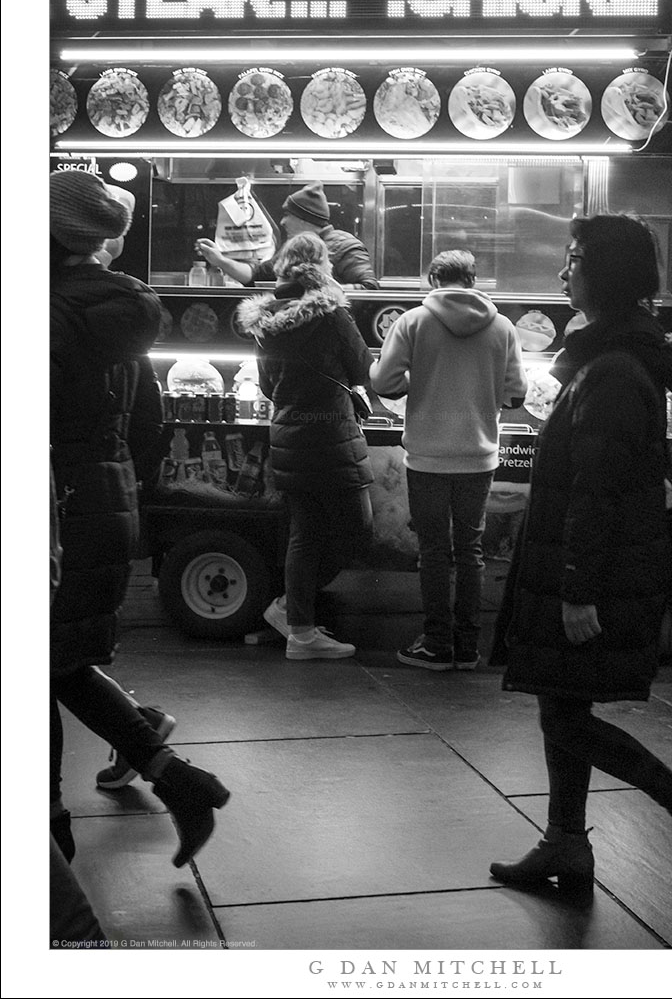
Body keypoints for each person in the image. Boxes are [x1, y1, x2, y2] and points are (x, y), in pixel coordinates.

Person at [489, 214, 672, 899]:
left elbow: (594, 494)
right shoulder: (609, 361)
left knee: (565, 712)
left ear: (607, 272)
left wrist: (575, 589)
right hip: (588, 570)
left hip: (592, 578)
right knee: (559, 702)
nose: (562, 272)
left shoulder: (613, 371)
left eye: (573, 259)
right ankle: (566, 842)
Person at [50, 170, 230, 868]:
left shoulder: (45, 312)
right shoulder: (122, 312)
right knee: (57, 665)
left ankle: (53, 838)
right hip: (102, 501)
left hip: (55, 513)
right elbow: (149, 425)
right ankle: (178, 780)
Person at [369, 250, 528, 671]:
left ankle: (437, 643)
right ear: (473, 280)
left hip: (427, 455)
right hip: (478, 456)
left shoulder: (413, 322)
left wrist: (416, 379)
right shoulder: (502, 327)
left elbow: (383, 381)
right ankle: (468, 646)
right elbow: (517, 393)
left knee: (435, 551)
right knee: (470, 550)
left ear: (432, 279)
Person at [237, 233, 374, 659]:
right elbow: (362, 368)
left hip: (288, 432)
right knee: (357, 525)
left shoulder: (265, 320)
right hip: (330, 433)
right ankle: (296, 617)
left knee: (305, 532)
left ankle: (298, 622)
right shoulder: (330, 314)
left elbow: (265, 386)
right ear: (322, 265)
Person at [198, 181, 380, 290]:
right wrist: (221, 260)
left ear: (303, 219)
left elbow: (369, 288)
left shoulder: (345, 246)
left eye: (288, 216)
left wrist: (317, 290)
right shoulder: (292, 251)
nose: (283, 222)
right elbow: (257, 275)